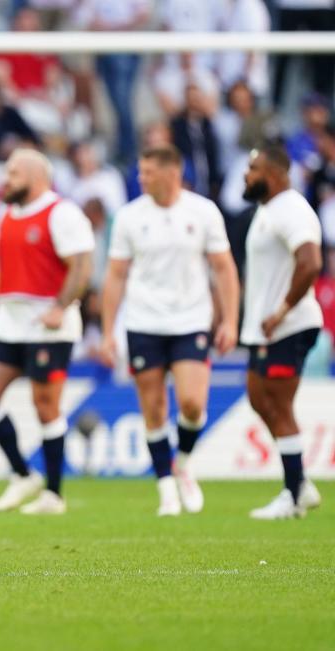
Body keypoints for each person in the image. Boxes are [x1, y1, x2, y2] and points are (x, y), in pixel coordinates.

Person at [100, 145, 240, 516]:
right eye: (140, 172)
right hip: (144, 321)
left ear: (172, 173)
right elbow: (115, 275)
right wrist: (108, 331)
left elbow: (224, 268)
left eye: (148, 173)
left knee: (193, 404)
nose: (141, 179)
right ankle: (165, 487)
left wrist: (230, 320)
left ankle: (184, 462)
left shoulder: (203, 211)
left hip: (191, 320)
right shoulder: (129, 217)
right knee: (154, 408)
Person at [0, 149, 94, 515]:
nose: (6, 180)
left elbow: (82, 266)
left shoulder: (62, 212)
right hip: (10, 323)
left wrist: (61, 306)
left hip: (47, 325)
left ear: (37, 177)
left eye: (13, 173)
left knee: (46, 406)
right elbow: (9, 266)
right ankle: (23, 474)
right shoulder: (8, 214)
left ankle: (54, 494)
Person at [240, 146, 324, 519]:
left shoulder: (291, 208)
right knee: (260, 400)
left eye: (253, 168)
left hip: (288, 325)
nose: (246, 174)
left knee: (279, 403)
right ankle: (300, 482)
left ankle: (293, 495)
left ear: (274, 174)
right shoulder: (267, 210)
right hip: (265, 328)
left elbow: (310, 262)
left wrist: (282, 310)